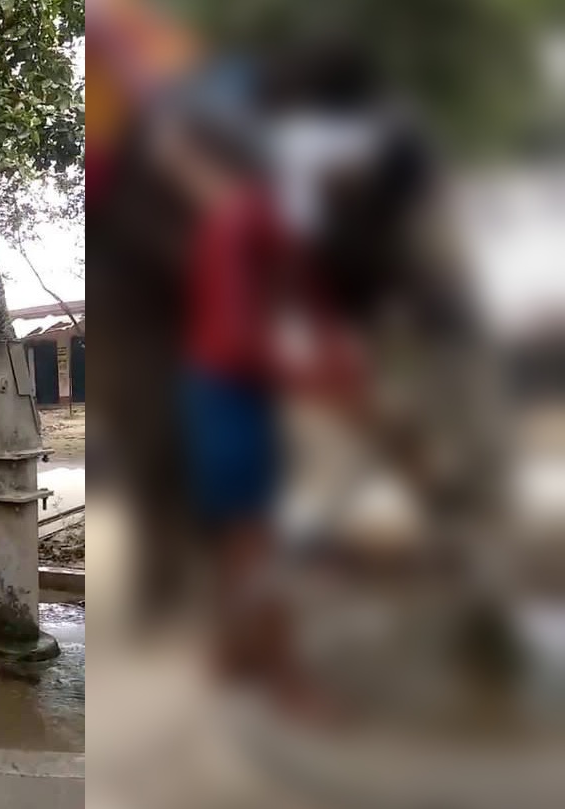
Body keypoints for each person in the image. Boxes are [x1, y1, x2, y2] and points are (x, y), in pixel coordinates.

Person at [155, 110, 363, 717]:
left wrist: (340, 365)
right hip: (225, 389)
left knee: (243, 536)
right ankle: (282, 676)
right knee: (254, 538)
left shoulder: (289, 226)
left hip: (245, 389)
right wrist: (315, 376)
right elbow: (233, 335)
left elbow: (315, 307)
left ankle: (235, 655)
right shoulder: (244, 221)